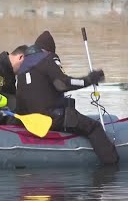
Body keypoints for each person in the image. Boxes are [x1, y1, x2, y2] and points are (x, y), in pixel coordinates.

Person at [15, 30, 119, 165]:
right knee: (94, 127)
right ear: (49, 50)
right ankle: (112, 165)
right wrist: (89, 80)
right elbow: (62, 83)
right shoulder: (48, 58)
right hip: (49, 117)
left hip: (29, 119)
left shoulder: (24, 65)